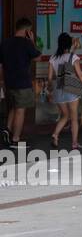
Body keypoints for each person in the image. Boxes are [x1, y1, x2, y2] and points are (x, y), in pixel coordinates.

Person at [1, 18, 41, 146]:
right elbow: (38, 58)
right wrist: (33, 41)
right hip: (22, 83)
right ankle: (15, 140)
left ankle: (7, 129)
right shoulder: (27, 43)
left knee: (14, 107)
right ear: (27, 31)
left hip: (9, 83)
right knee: (20, 110)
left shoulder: (5, 43)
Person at [48, 32, 82, 150]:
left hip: (58, 88)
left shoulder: (53, 58)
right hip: (71, 88)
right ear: (69, 44)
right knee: (74, 118)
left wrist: (50, 91)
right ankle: (74, 143)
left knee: (65, 116)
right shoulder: (73, 57)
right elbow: (80, 74)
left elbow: (50, 78)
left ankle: (55, 135)